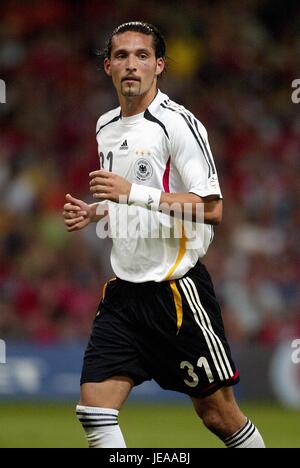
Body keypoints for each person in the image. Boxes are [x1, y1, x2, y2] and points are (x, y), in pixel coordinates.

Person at [62, 21, 265, 449]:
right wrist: (99, 209)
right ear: (107, 67)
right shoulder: (105, 126)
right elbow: (132, 199)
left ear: (159, 66)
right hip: (124, 294)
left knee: (219, 417)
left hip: (176, 294)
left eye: (141, 56)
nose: (130, 65)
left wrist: (130, 192)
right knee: (94, 410)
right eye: (121, 56)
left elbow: (213, 208)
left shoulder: (179, 124)